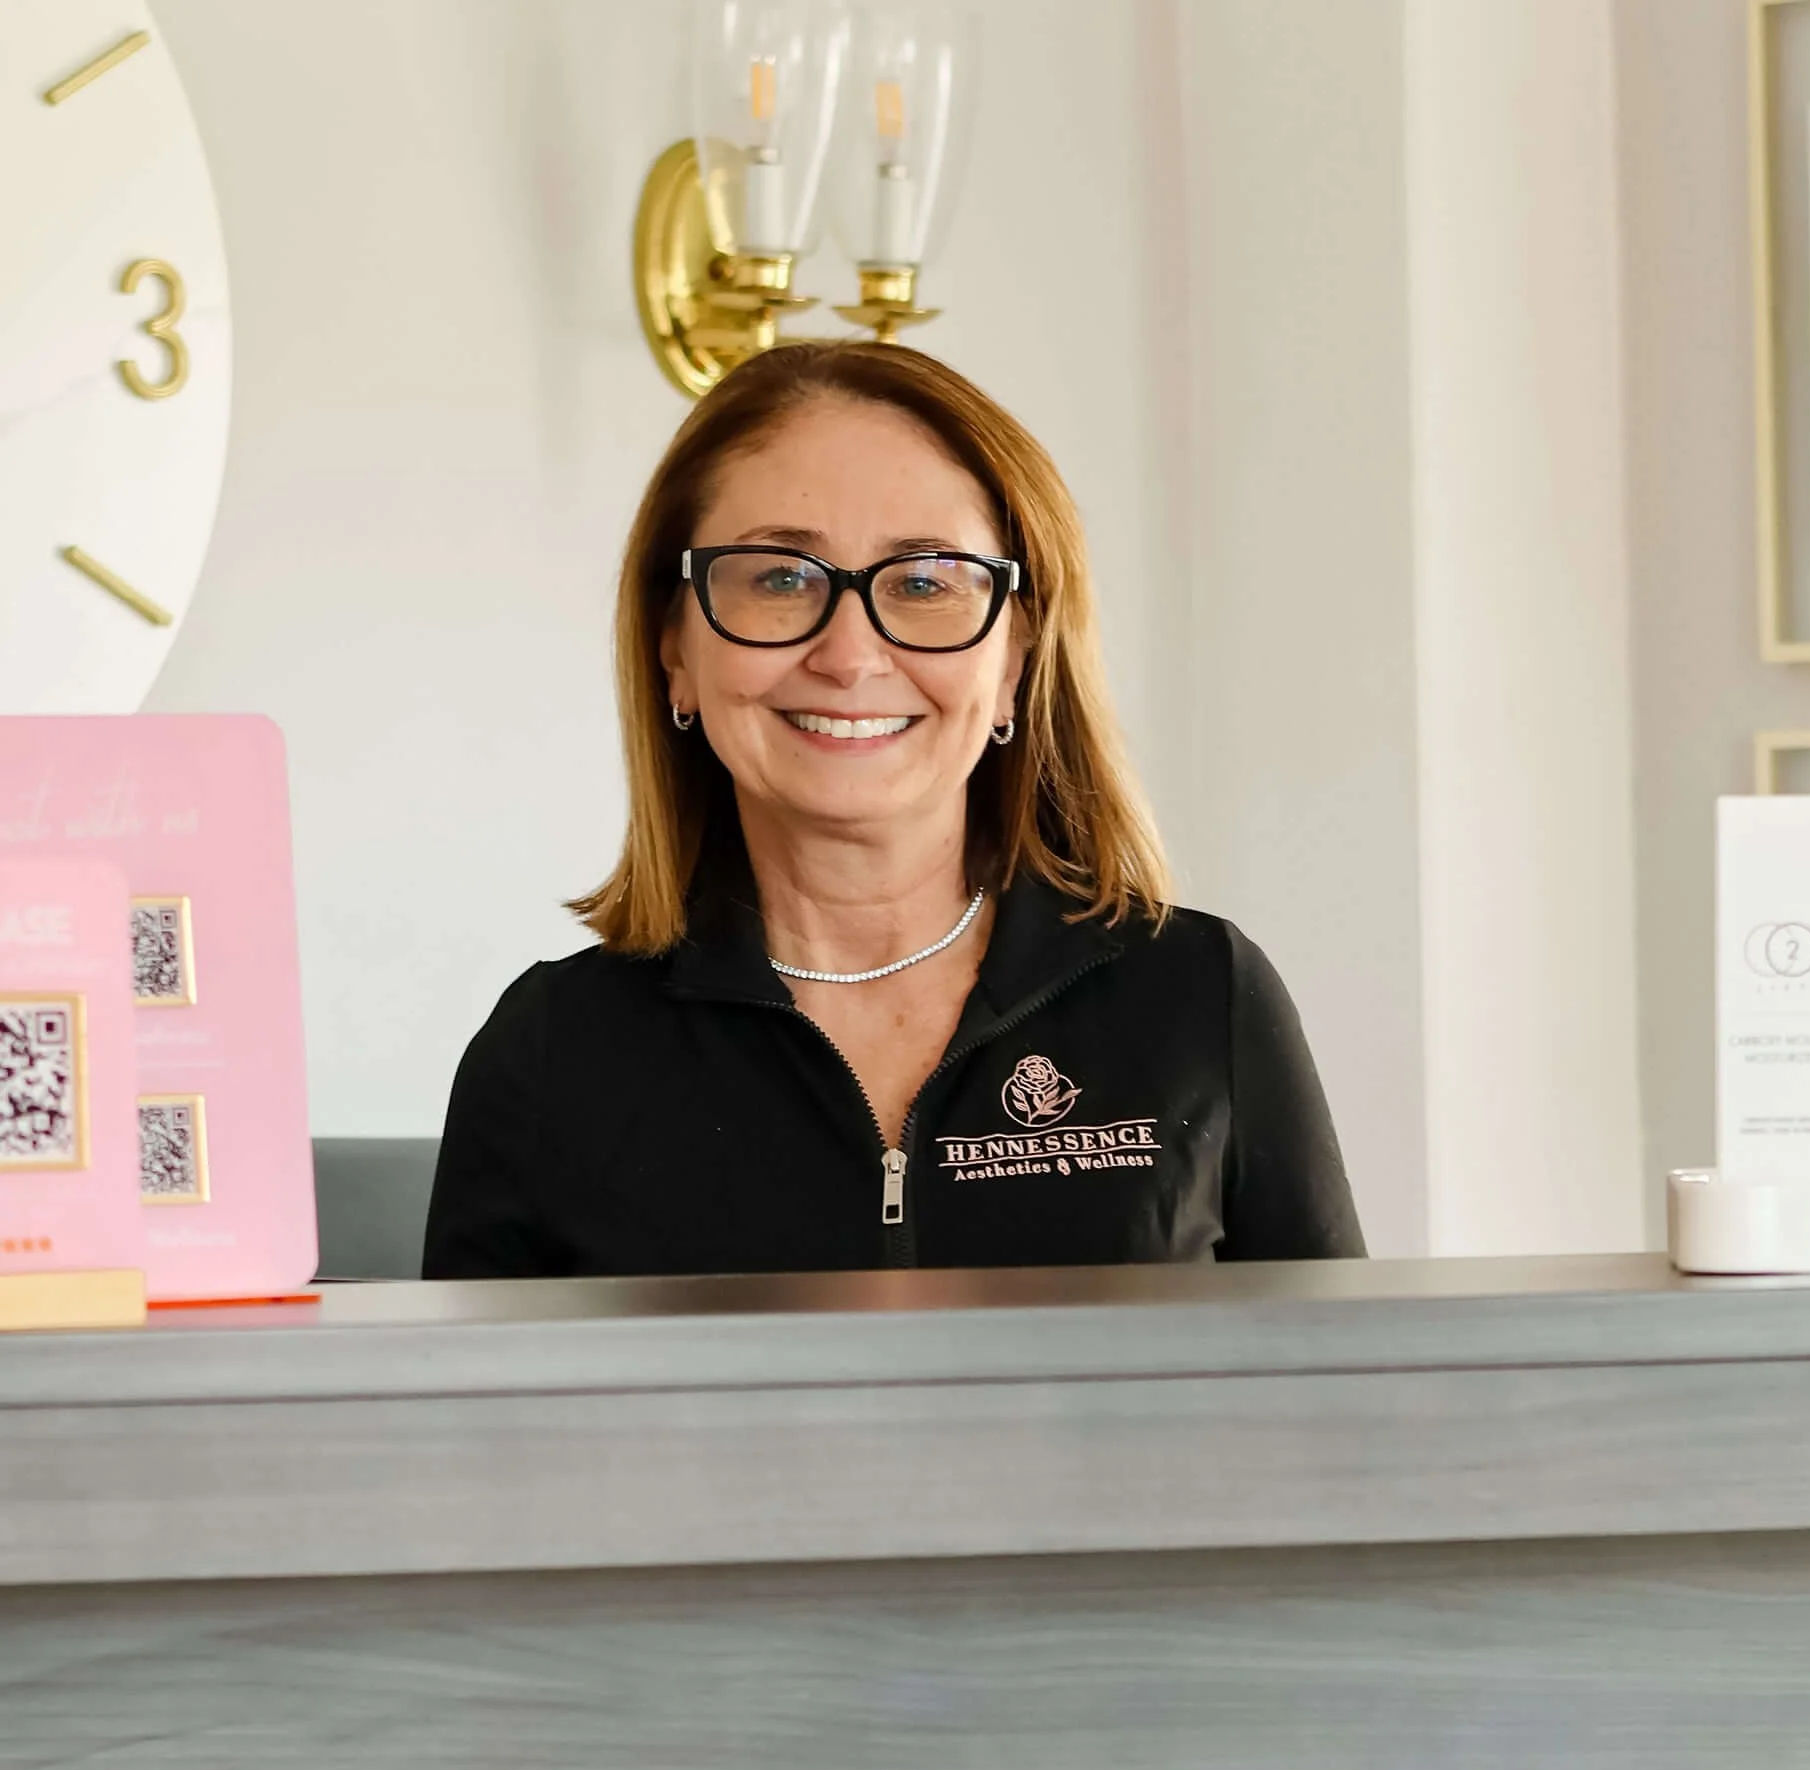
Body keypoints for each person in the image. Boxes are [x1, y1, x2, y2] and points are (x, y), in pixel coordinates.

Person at [423, 340, 1362, 1278]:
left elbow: (1348, 1411)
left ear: (1015, 662)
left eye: (924, 584)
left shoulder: (1199, 995)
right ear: (675, 649)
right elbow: (460, 1425)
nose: (850, 654)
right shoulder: (553, 1052)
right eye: (780, 578)